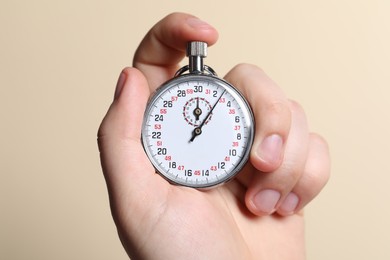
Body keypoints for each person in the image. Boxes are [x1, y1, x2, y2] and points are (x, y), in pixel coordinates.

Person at [97, 12, 330, 260]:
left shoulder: (220, 108)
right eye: (196, 128)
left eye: (202, 127)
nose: (197, 129)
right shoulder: (159, 108)